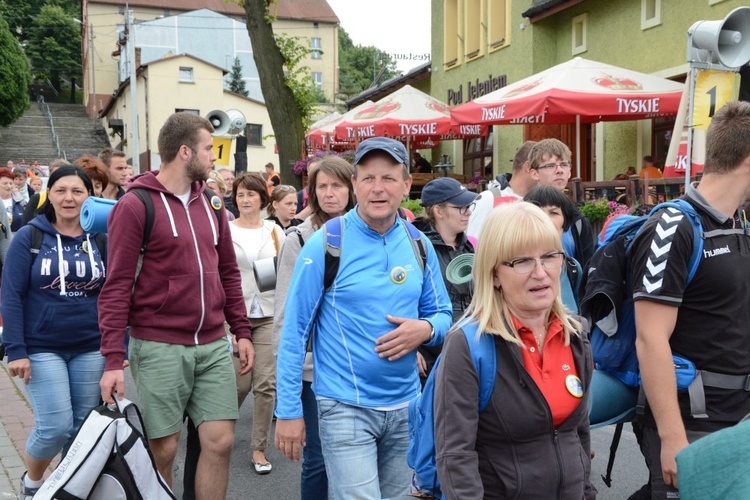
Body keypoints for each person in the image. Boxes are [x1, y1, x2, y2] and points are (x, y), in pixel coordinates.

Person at [274, 137, 453, 498]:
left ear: (406, 185)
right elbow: (293, 333)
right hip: (344, 408)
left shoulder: (419, 244)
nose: (377, 188)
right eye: (368, 178)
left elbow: (444, 315)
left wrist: (426, 329)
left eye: (388, 178)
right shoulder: (326, 244)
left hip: (406, 408)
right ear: (355, 184)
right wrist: (288, 411)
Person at [97, 112, 254, 498]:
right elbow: (115, 286)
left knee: (220, 441)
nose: (214, 156)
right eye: (207, 148)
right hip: (159, 345)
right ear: (185, 152)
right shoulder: (135, 205)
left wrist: (242, 331)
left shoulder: (213, 202)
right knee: (162, 449)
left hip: (214, 344)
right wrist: (113, 360)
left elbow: (228, 271)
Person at [629, 101, 750, 499]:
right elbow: (650, 339)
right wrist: (672, 438)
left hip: (740, 419)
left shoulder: (740, 222)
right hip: (694, 421)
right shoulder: (673, 225)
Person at [434, 201, 593, 499]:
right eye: (521, 261)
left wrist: (587, 491)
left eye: (549, 256)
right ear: (494, 274)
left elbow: (578, 433)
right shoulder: (468, 344)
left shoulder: (575, 334)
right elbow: (454, 455)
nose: (540, 272)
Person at [1, 166, 106, 499]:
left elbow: (117, 293)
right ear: (49, 194)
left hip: (92, 346)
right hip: (41, 346)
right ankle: (33, 483)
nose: (69, 198)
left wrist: (120, 345)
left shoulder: (102, 237)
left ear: (90, 196)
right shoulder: (29, 237)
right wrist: (15, 349)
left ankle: (67, 489)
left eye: (77, 191)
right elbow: (11, 294)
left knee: (81, 428)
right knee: (55, 426)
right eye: (61, 190)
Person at [273, 156, 356, 499]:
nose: (329, 193)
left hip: (358, 364)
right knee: (319, 459)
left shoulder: (370, 232)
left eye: (337, 185)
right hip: (314, 370)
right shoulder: (301, 239)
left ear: (352, 188)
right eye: (322, 186)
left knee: (355, 456)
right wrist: (287, 389)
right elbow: (284, 315)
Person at [228, 172, 285, 475]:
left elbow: (284, 272)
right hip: (234, 317)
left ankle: (258, 448)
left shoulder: (275, 232)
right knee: (238, 384)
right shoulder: (224, 231)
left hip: (267, 312)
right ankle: (216, 430)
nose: (246, 199)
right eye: (240, 194)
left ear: (263, 199)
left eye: (251, 194)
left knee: (265, 384)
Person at [413, 176, 477, 379]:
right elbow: (401, 300)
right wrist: (412, 349)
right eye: (461, 207)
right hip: (430, 358)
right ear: (438, 211)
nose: (468, 212)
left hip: (469, 349)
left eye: (469, 206)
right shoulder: (415, 247)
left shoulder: (469, 247)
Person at [528, 138, 594, 268]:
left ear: (569, 171)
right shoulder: (522, 215)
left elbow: (587, 269)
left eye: (564, 164)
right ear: (534, 173)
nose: (559, 170)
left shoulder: (578, 222)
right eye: (550, 166)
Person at [524, 185, 583, 313]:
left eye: (553, 212)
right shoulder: (515, 266)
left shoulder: (572, 268)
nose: (545, 219)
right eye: (537, 212)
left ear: (565, 221)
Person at [467, 140, 537, 241]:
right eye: (547, 166)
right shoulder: (489, 199)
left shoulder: (541, 202)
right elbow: (473, 245)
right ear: (528, 167)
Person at [22, 159, 71, 226]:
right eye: (55, 175)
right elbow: (26, 227)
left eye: (63, 175)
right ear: (50, 176)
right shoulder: (38, 198)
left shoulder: (75, 199)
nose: (59, 178)